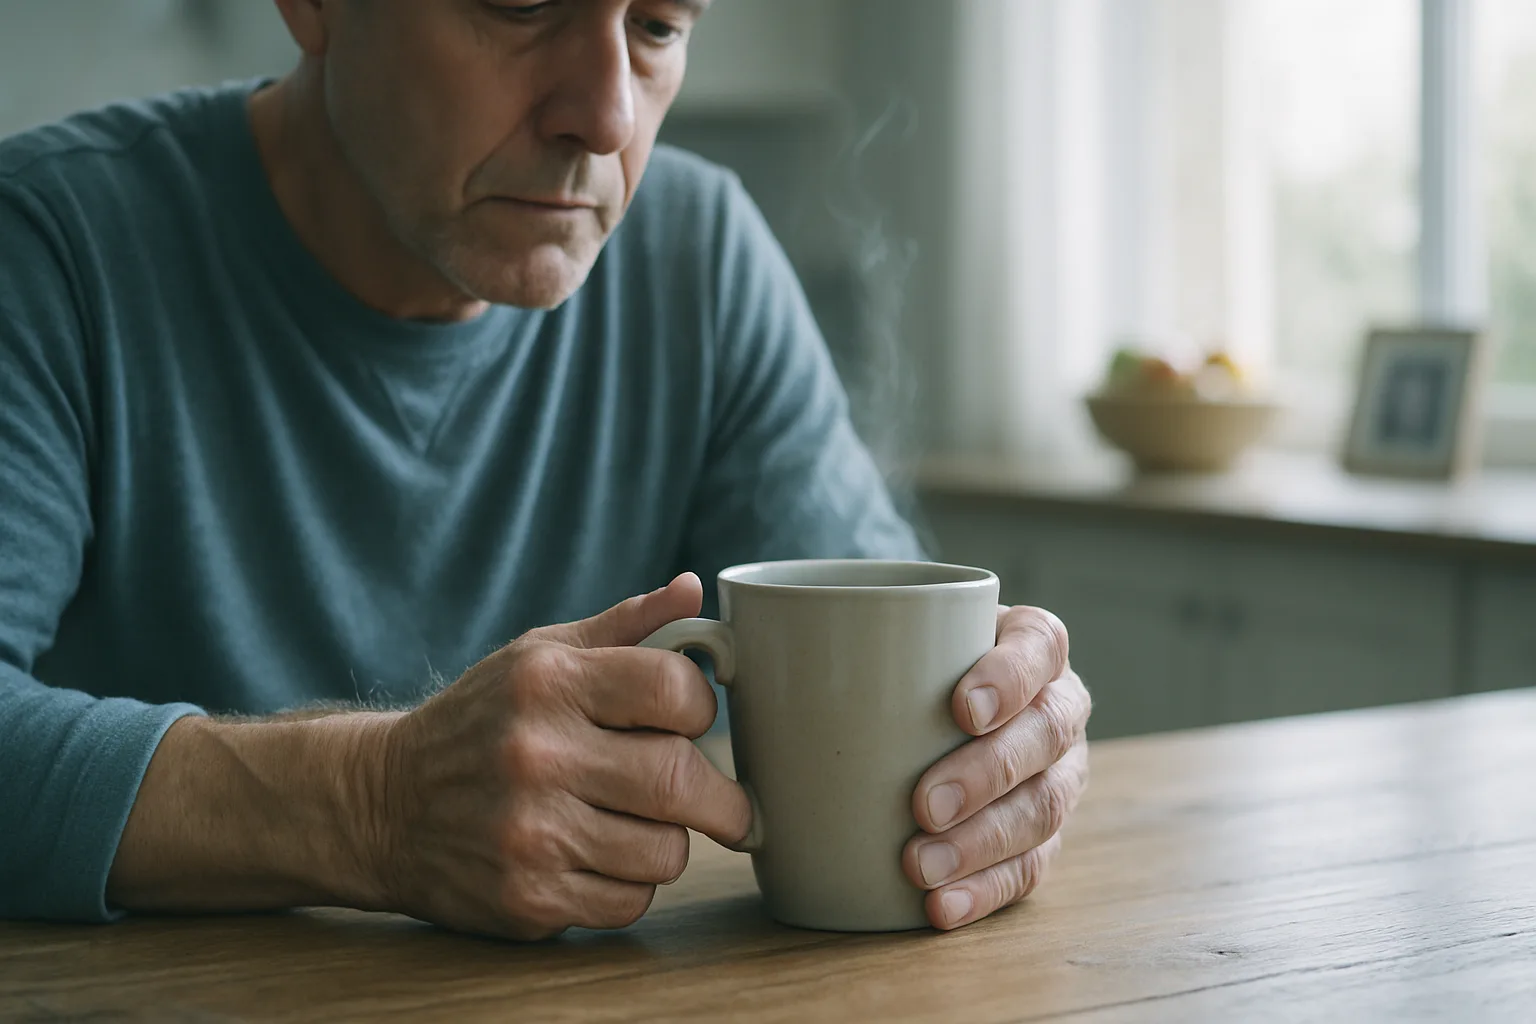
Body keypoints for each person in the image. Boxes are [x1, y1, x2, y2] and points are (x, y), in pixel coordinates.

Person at [0, 0, 1091, 939]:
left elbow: (886, 666)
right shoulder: (50, 249)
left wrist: (996, 745)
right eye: (521, 5)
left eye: (657, 25)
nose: (607, 115)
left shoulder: (699, 259)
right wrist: (372, 804)